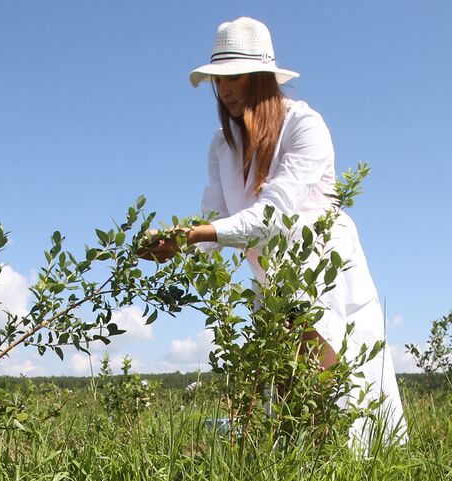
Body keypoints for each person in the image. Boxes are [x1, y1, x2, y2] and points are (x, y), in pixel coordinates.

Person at [142, 16, 407, 453]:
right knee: (285, 406)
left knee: (330, 401)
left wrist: (191, 235)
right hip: (274, 283)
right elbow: (215, 222)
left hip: (321, 275)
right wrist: (178, 243)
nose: (224, 88)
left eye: (235, 76)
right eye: (217, 79)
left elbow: (273, 218)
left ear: (262, 76)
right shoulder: (223, 147)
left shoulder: (305, 127)